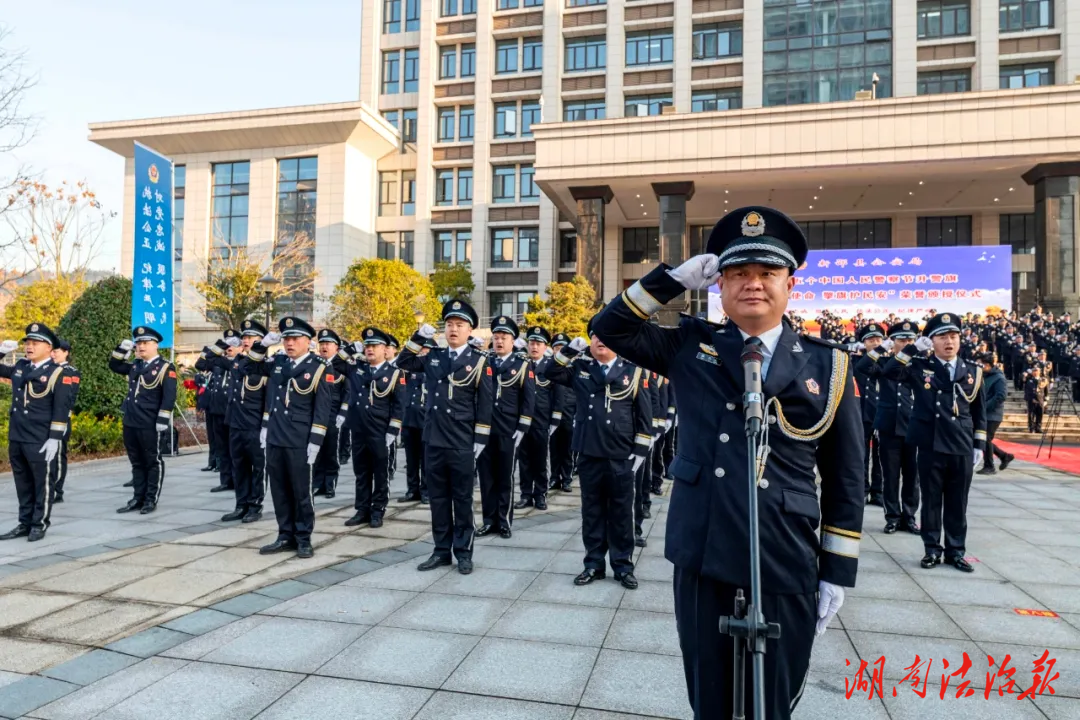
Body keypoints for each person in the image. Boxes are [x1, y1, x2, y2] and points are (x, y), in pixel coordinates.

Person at [591, 206, 865, 720]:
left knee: (774, 700)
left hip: (783, 550)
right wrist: (672, 281)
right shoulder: (690, 345)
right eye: (738, 273)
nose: (752, 284)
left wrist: (836, 570)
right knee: (710, 699)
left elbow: (846, 475)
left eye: (767, 273)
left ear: (790, 285)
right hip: (704, 549)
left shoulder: (829, 365)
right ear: (719, 285)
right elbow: (610, 328)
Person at [543, 319, 652, 589]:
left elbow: (644, 414)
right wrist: (568, 351)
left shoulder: (633, 372)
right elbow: (548, 371)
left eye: (606, 335)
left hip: (621, 454)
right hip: (590, 452)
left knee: (621, 513)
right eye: (595, 336)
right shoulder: (581, 368)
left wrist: (640, 451)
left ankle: (623, 566)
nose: (600, 340)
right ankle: (593, 564)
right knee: (592, 512)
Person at [396, 299, 494, 576]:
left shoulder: (479, 361)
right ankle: (441, 550)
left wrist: (480, 438)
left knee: (462, 499)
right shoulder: (434, 357)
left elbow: (485, 402)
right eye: (449, 324)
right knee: (438, 499)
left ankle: (463, 552)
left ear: (469, 330)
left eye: (459, 325)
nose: (453, 329)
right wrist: (418, 337)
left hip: (462, 439)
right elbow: (403, 362)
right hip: (434, 438)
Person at [883, 312, 986, 572]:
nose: (949, 342)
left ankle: (955, 551)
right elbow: (889, 371)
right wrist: (912, 349)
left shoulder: (973, 371)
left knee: (957, 502)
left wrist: (979, 445)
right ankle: (932, 549)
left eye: (953, 336)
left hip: (961, 445)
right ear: (931, 341)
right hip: (931, 443)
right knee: (931, 501)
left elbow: (979, 412)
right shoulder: (920, 366)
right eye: (942, 337)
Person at [245, 317, 334, 558]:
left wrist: (315, 441)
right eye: (286, 339)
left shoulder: (320, 367)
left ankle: (303, 538)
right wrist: (262, 345)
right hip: (276, 436)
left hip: (300, 440)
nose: (289, 343)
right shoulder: (278, 362)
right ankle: (285, 535)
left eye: (294, 338)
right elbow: (248, 368)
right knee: (280, 490)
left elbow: (322, 408)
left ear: (307, 341)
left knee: (301, 491)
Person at [0, 324, 75, 541]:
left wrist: (54, 438)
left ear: (49, 348)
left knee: (42, 483)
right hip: (18, 435)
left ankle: (39, 523)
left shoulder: (58, 372)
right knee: (22, 482)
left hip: (40, 438)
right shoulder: (21, 366)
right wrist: (2, 352)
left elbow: (61, 408)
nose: (29, 347)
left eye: (35, 343)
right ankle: (24, 522)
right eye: (27, 343)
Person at [341, 327, 407, 528]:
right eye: (367, 345)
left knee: (380, 473)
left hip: (380, 430)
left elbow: (399, 404)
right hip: (358, 429)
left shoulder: (394, 373)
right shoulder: (357, 368)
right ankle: (362, 510)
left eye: (374, 346)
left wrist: (393, 430)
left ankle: (378, 510)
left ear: (385, 349)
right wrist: (351, 349)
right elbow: (335, 362)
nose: (369, 349)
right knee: (361, 473)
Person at [857, 321, 919, 534]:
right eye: (902, 340)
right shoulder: (884, 363)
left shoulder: (921, 364)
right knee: (890, 476)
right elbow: (862, 367)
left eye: (910, 340)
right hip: (889, 426)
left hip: (914, 426)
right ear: (893, 342)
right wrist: (881, 348)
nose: (907, 343)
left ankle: (909, 517)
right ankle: (892, 517)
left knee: (912, 477)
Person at [109, 326, 178, 515]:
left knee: (152, 461)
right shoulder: (135, 365)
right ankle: (137, 497)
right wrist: (122, 349)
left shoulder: (165, 367)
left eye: (145, 343)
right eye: (138, 343)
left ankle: (150, 499)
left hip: (150, 422)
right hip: (131, 420)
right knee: (136, 461)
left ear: (156, 345)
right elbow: (114, 365)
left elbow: (169, 396)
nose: (141, 347)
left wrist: (163, 418)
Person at [477, 316, 534, 537]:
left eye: (504, 338)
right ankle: (488, 520)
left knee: (505, 476)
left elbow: (528, 398)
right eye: (496, 337)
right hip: (485, 428)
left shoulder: (522, 365)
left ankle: (504, 521)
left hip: (509, 429)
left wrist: (523, 427)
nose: (499, 341)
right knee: (486, 477)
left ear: (512, 341)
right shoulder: (484, 362)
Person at [219, 319, 270, 523]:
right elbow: (209, 359)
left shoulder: (267, 365)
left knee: (258, 468)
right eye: (245, 337)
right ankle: (241, 505)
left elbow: (270, 399)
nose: (246, 340)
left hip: (255, 425)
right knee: (238, 466)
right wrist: (224, 345)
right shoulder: (238, 362)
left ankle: (255, 506)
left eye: (251, 337)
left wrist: (266, 425)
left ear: (261, 341)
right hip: (235, 423)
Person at [198, 331, 241, 493]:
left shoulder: (240, 362)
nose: (229, 348)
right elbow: (201, 364)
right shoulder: (217, 362)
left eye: (233, 345)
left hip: (232, 412)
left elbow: (230, 365)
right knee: (221, 447)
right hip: (216, 411)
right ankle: (225, 480)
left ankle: (237, 480)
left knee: (234, 449)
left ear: (240, 348)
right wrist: (219, 346)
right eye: (227, 345)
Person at [517, 326, 554, 511]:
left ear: (545, 346)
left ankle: (540, 495)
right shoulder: (521, 365)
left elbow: (557, 395)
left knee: (540, 461)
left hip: (541, 420)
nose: (534, 347)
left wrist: (554, 420)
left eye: (538, 344)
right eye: (532, 343)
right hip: (523, 421)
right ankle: (525, 494)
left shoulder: (550, 367)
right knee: (524, 460)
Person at [312, 328, 348, 500]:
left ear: (336, 347)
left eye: (328, 344)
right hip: (317, 413)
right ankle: (318, 484)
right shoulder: (315, 365)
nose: (324, 347)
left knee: (332, 451)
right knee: (317, 450)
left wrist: (343, 412)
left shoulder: (342, 367)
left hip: (334, 414)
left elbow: (348, 392)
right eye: (322, 344)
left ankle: (330, 484)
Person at [851, 323, 885, 505]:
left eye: (878, 340)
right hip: (862, 413)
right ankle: (862, 489)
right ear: (864, 343)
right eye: (871, 340)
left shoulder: (889, 362)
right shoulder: (856, 361)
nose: (876, 343)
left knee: (880, 456)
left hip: (882, 414)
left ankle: (878, 492)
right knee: (861, 454)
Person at [399, 337, 435, 504]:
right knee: (411, 459)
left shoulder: (433, 370)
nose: (422, 352)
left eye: (426, 350)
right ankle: (412, 489)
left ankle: (426, 490)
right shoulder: (410, 370)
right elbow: (402, 362)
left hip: (426, 420)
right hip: (409, 420)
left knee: (426, 459)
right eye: (421, 349)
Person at [48, 338, 80, 504]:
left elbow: (69, 397)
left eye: (56, 351)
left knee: (59, 455)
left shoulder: (71, 372)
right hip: (45, 418)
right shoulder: (48, 369)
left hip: (61, 419)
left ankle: (57, 490)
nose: (53, 354)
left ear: (66, 352)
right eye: (52, 351)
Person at [548, 333, 577, 492]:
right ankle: (554, 477)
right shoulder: (549, 368)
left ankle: (566, 478)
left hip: (569, 413)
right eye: (556, 348)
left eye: (562, 348)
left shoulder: (574, 368)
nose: (559, 351)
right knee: (553, 448)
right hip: (552, 414)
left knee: (567, 448)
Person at [977, 352, 1013, 475]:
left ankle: (989, 466)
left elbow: (1000, 396)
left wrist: (984, 407)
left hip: (993, 414)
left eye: (980, 364)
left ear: (987, 365)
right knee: (983, 438)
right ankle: (1004, 456)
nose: (978, 366)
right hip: (984, 413)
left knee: (985, 439)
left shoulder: (998, 378)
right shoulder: (984, 375)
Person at [1025, 365, 1049, 434]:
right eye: (1034, 371)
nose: (1035, 372)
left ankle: (1038, 427)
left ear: (1039, 372)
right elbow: (1026, 390)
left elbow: (1046, 391)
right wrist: (1027, 399)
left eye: (1037, 371)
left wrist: (1046, 400)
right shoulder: (1029, 380)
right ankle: (1031, 427)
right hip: (1031, 399)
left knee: (1040, 414)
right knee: (1031, 415)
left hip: (1040, 399)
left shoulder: (1043, 380)